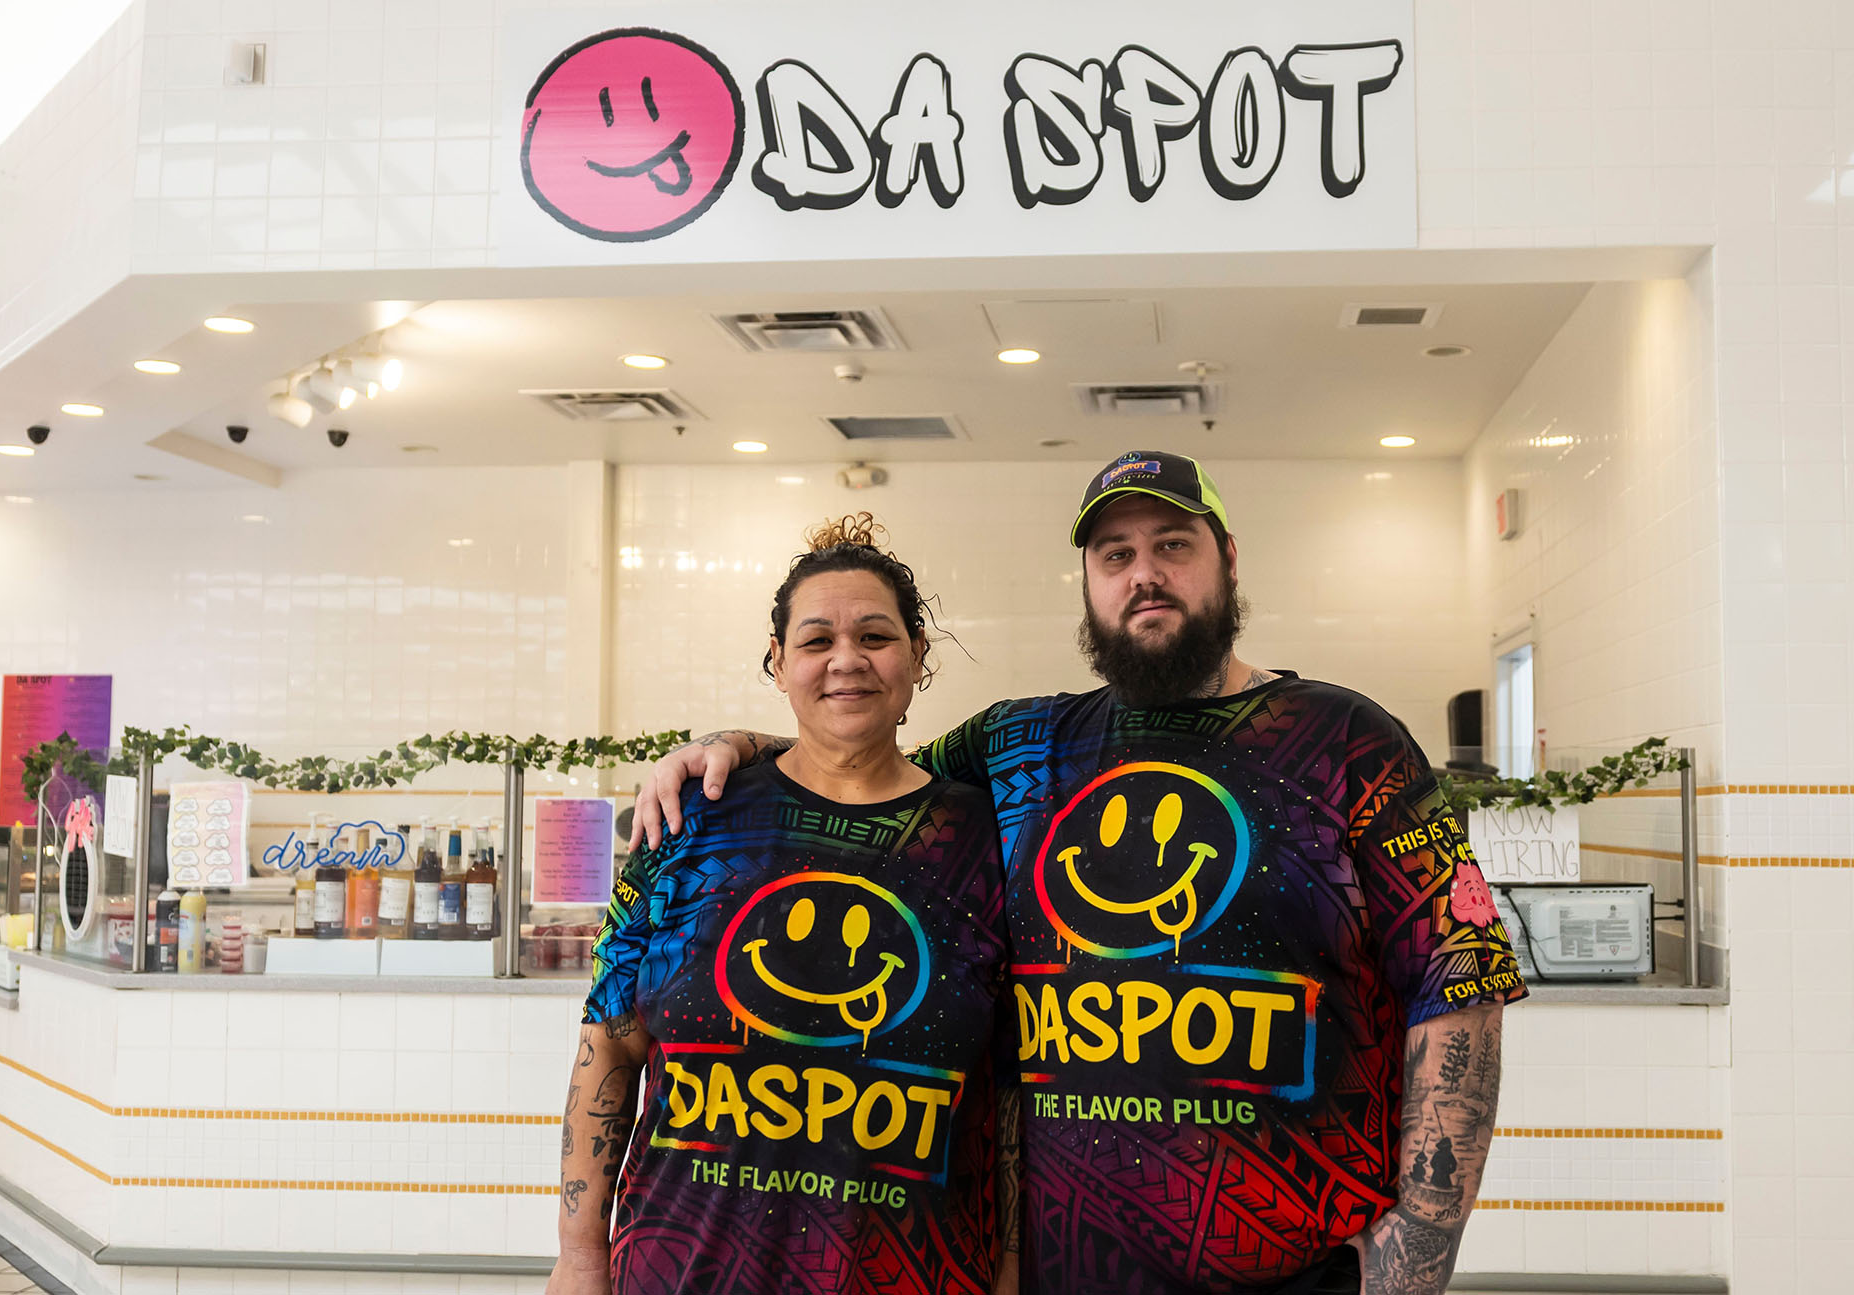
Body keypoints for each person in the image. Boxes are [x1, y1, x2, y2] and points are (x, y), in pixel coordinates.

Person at [632, 452, 1527, 1295]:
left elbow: (1459, 980)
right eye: (1116, 554)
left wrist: (1421, 1245)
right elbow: (860, 763)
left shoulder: (1347, 739)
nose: (1146, 574)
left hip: (1299, 1273)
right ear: (1090, 581)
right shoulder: (1020, 743)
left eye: (1173, 545)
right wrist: (733, 746)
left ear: (1227, 560)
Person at [552, 515, 1017, 1295]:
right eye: (816, 640)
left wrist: (1012, 1267)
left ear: (917, 656)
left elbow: (1010, 1083)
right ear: (778, 661)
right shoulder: (688, 820)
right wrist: (579, 1259)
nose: (846, 659)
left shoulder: (983, 835)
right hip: (685, 1272)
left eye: (875, 636)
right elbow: (610, 1043)